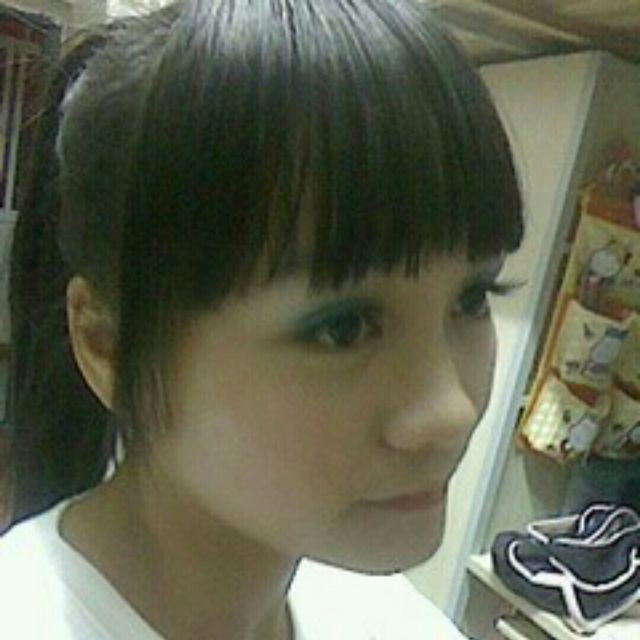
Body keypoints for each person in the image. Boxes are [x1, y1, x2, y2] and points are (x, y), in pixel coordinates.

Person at [0, 0, 523, 638]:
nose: (451, 412)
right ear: (107, 344)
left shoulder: (385, 616)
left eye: (472, 298)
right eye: (342, 328)